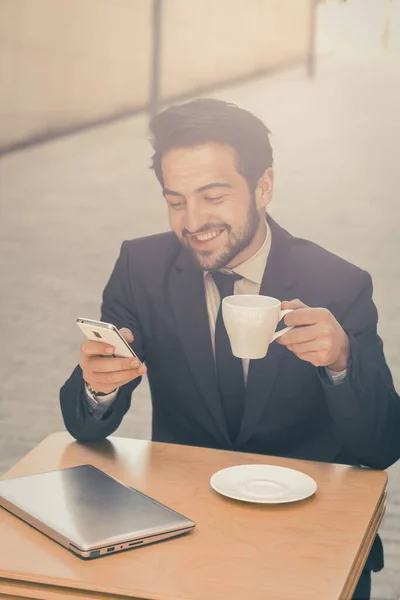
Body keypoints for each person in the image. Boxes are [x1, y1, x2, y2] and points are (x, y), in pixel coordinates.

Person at [60, 99, 400, 599]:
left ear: (263, 186)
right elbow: (87, 428)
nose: (192, 221)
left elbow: (381, 448)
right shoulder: (141, 267)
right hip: (181, 529)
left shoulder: (338, 282)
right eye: (176, 201)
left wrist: (341, 361)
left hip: (313, 537)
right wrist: (97, 386)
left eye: (213, 196)